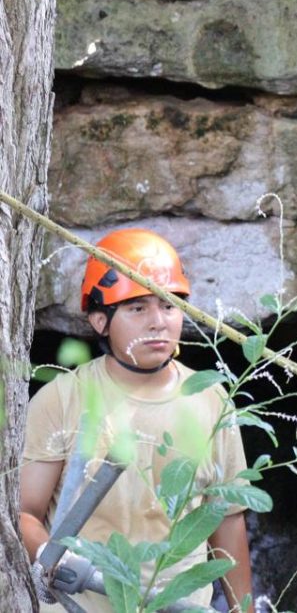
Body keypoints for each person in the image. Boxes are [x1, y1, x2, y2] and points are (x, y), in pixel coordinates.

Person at [20, 228, 254, 612]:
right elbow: (24, 510)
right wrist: (50, 555)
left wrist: (245, 610)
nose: (158, 322)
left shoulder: (210, 400)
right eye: (137, 308)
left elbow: (227, 520)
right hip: (83, 603)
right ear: (99, 320)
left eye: (168, 305)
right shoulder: (63, 399)